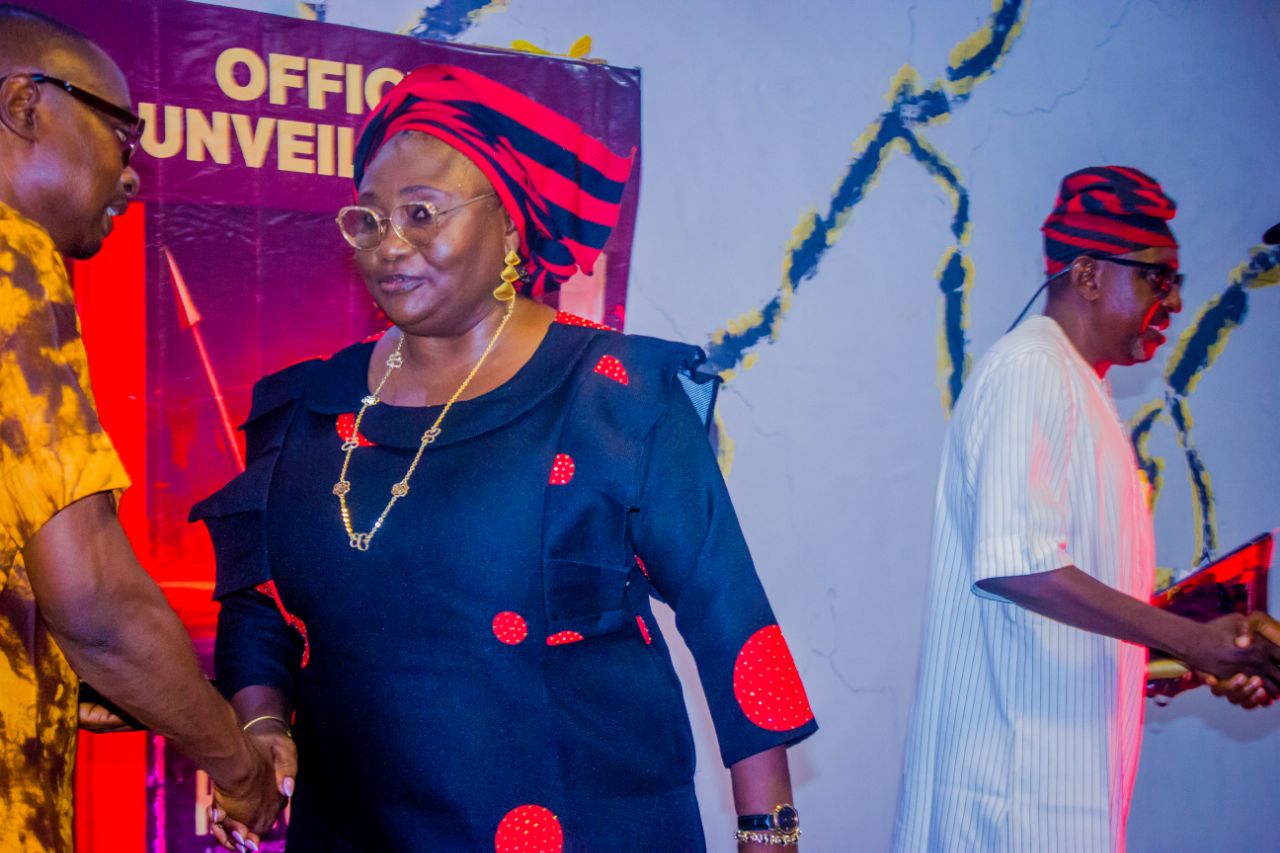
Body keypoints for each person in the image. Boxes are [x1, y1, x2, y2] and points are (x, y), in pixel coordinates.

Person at [193, 64, 817, 852]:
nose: (389, 245)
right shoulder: (308, 408)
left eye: (422, 214)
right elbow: (259, 603)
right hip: (354, 832)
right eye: (369, 219)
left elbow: (730, 619)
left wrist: (769, 833)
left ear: (511, 227)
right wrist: (261, 724)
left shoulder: (616, 396)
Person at [893, 166, 1280, 852]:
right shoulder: (1030, 369)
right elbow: (1020, 566)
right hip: (1007, 803)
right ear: (1089, 275)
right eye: (1158, 278)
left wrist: (1200, 654)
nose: (1174, 301)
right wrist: (1191, 639)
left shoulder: (1082, 388)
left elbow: (1065, 620)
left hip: (1060, 795)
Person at [0, 6, 289, 850]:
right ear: (24, 105)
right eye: (122, 136)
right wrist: (238, 766)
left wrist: (59, 672)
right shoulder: (13, 261)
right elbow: (93, 598)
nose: (132, 176)